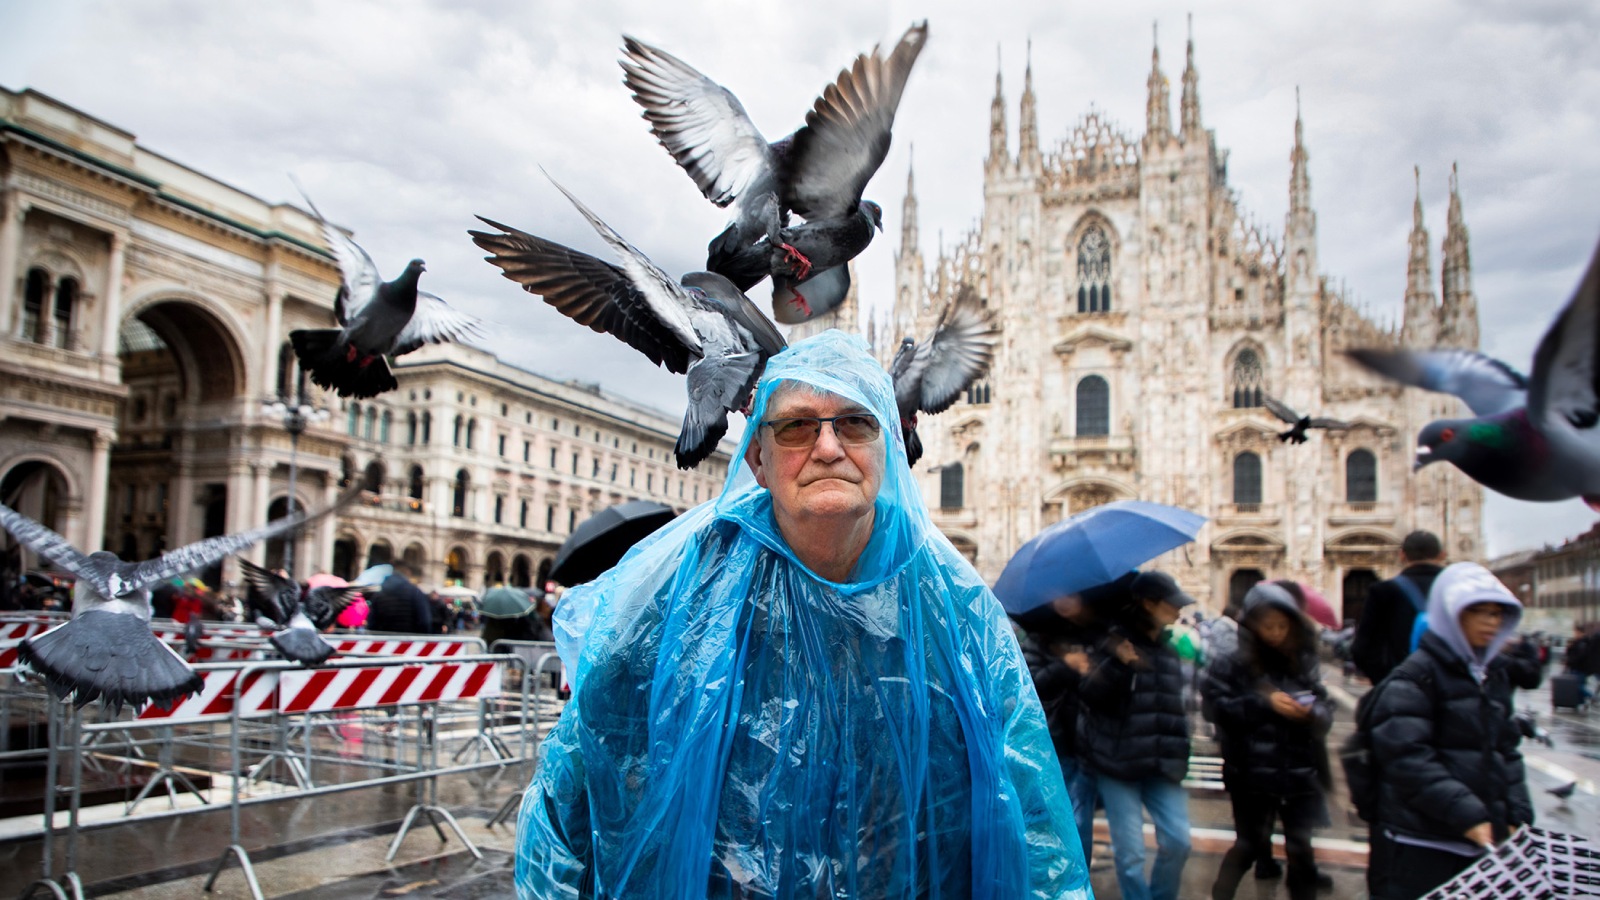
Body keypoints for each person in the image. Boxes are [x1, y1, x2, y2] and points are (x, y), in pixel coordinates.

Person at [515, 332, 1089, 899]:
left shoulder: (953, 604)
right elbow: (572, 788)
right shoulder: (679, 588)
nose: (829, 447)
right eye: (797, 426)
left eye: (855, 423)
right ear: (758, 458)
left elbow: (1032, 812)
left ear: (887, 446)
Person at [1364, 562, 1533, 900]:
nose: (1492, 621)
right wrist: (1468, 815)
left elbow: (1507, 751)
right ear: (1450, 614)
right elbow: (1406, 757)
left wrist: (1517, 814)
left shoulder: (1492, 675)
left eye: (1498, 613)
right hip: (1423, 839)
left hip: (1479, 841)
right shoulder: (1415, 676)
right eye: (1479, 612)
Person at [1203, 582, 1332, 900]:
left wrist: (1312, 713)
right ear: (1252, 626)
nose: (1275, 633)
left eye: (1282, 626)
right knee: (1248, 845)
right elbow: (1214, 708)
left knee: (1301, 849)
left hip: (1298, 772)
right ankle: (1221, 895)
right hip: (1251, 775)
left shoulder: (1300, 662)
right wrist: (1264, 704)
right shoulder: (1231, 664)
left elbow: (1324, 707)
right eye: (1268, 626)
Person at [1078, 570, 1193, 900]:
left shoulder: (1169, 652)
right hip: (1118, 764)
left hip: (1161, 764)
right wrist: (1118, 664)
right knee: (1130, 856)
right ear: (1148, 604)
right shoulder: (1114, 643)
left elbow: (1175, 712)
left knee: (1179, 842)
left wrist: (1179, 756)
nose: (1178, 610)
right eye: (1172, 603)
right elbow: (1090, 694)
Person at [1015, 572, 1132, 867]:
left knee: (1078, 821)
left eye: (1071, 594)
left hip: (1094, 741)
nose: (1065, 601)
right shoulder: (1038, 641)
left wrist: (1115, 663)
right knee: (1062, 820)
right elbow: (1033, 684)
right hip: (1057, 741)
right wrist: (1066, 666)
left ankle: (1076, 881)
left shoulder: (1100, 637)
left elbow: (1110, 691)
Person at [1352, 530, 1446, 684]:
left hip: (1401, 685)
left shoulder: (1383, 591)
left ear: (1402, 555)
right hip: (1449, 688)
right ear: (1442, 555)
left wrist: (1387, 680)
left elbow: (1362, 650)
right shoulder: (1458, 590)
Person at [366, 564, 434, 634]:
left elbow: (372, 623)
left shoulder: (379, 594)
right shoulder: (414, 592)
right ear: (407, 574)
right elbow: (424, 621)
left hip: (383, 640)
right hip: (409, 640)